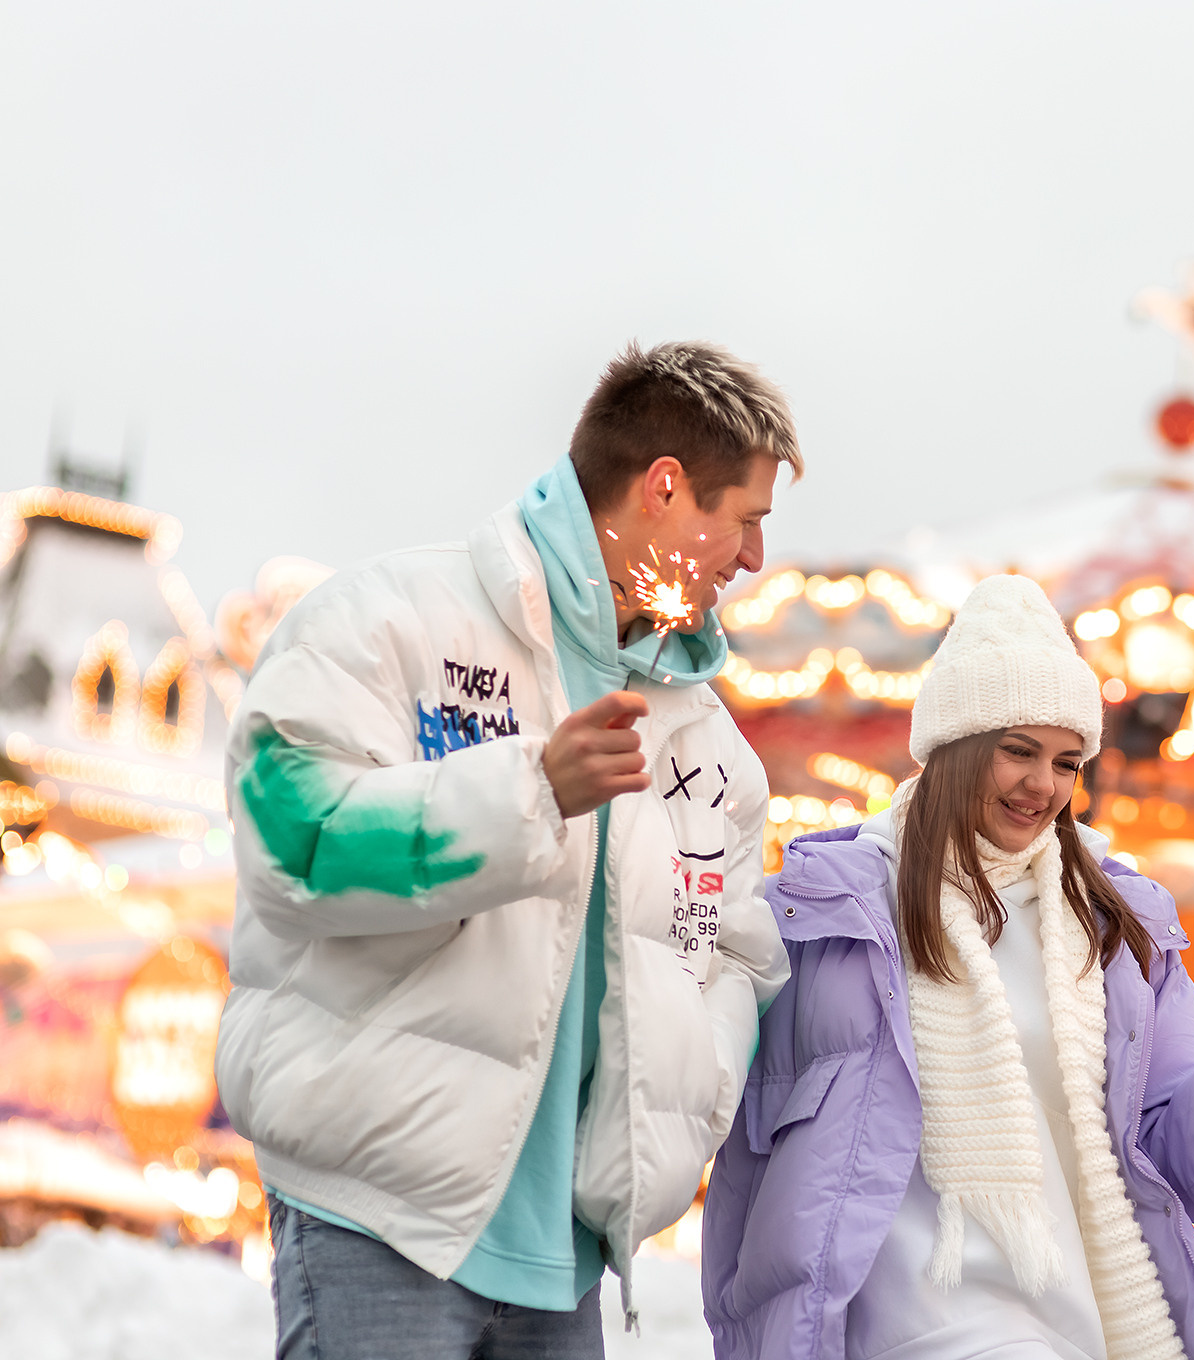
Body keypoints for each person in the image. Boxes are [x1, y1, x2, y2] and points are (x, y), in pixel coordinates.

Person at [217, 341, 799, 1359]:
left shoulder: (713, 749)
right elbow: (287, 835)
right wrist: (533, 793)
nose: (752, 559)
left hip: (567, 1265)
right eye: (744, 519)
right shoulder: (389, 619)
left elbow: (736, 955)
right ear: (666, 487)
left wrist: (690, 1091)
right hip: (379, 1225)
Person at [702, 574, 1194, 1360]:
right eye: (1019, 751)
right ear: (955, 748)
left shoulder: (1114, 930)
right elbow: (707, 1087)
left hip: (1079, 1323)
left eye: (1068, 762)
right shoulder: (821, 914)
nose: (1044, 785)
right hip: (897, 1326)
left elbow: (1185, 1164)